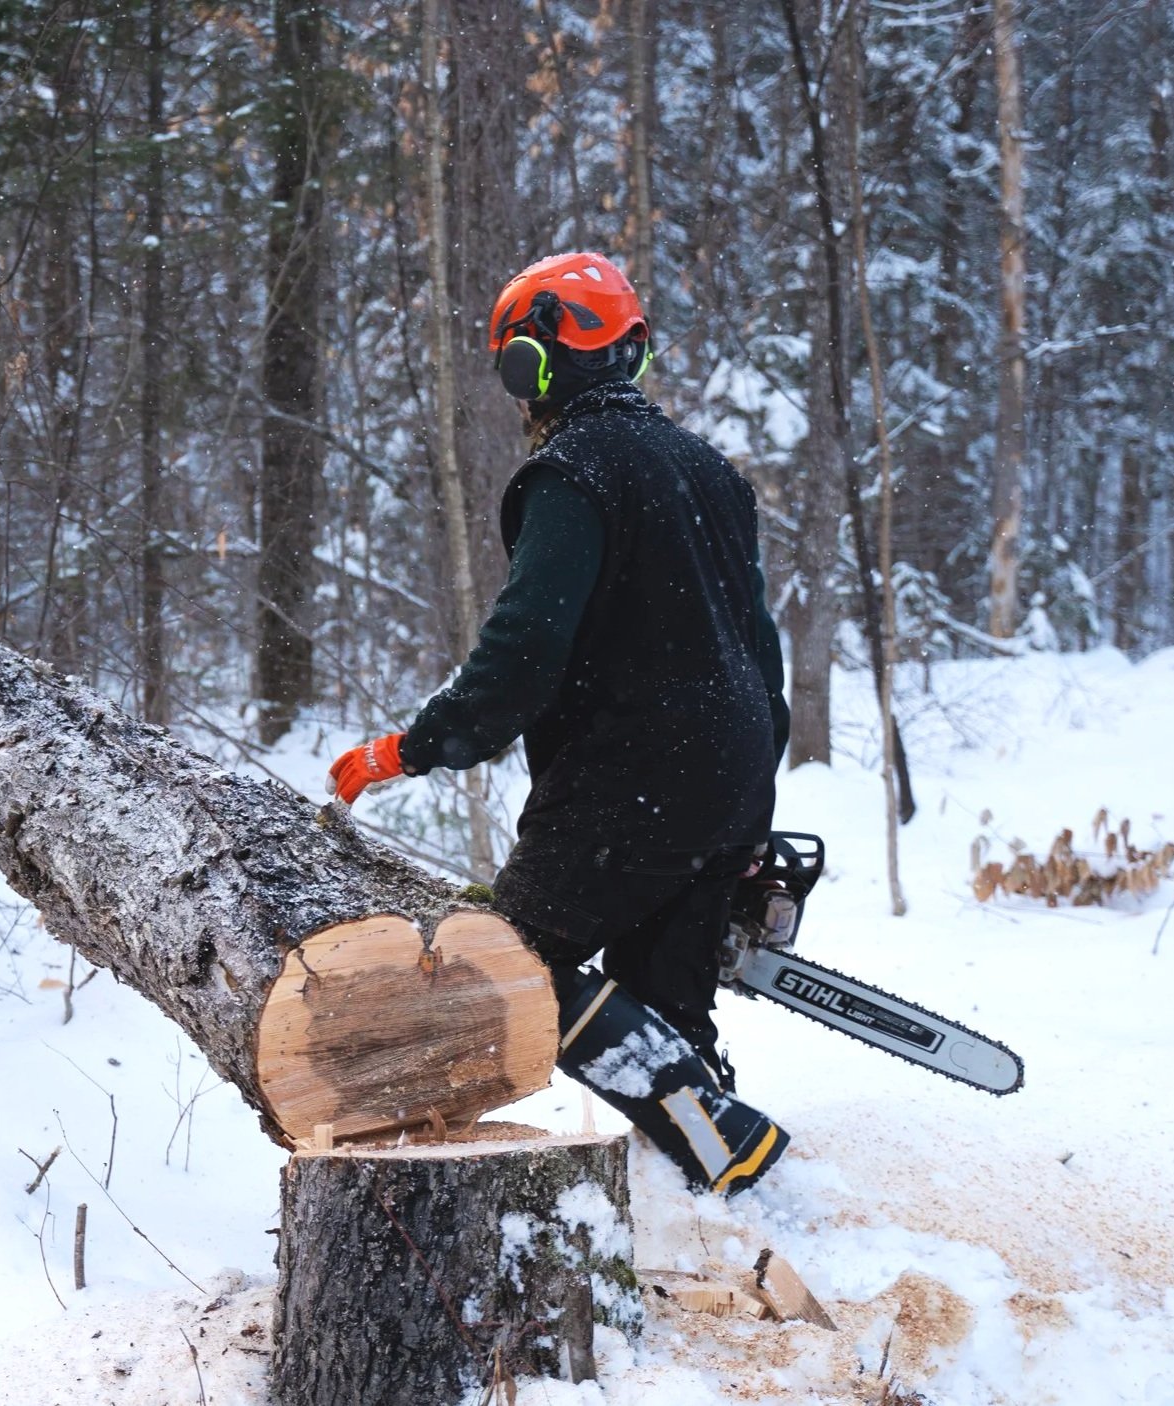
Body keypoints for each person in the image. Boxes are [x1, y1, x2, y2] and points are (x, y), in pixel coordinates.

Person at [327, 252, 791, 1197]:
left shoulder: (573, 472)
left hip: (631, 779)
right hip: (733, 763)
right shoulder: (711, 471)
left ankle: (721, 1129)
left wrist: (410, 749)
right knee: (663, 998)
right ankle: (729, 1183)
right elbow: (762, 647)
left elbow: (524, 652)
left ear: (529, 367)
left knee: (509, 966)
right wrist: (744, 807)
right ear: (632, 354)